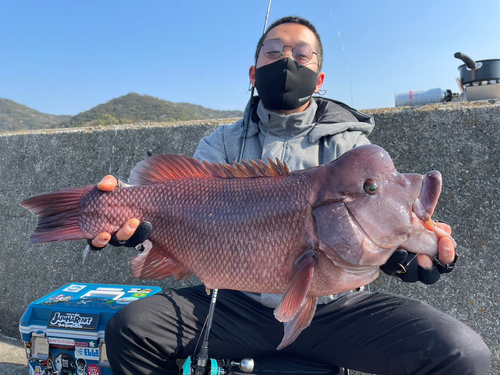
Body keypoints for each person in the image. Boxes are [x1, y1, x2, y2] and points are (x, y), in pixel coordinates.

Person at [90, 16, 491, 375]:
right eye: (273, 52)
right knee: (130, 329)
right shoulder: (222, 144)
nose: (287, 61)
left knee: (462, 354)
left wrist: (404, 257)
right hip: (235, 304)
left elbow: (376, 217)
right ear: (253, 72)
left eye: (302, 54)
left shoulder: (352, 148)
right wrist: (137, 227)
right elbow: (182, 203)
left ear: (318, 79)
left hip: (337, 309)